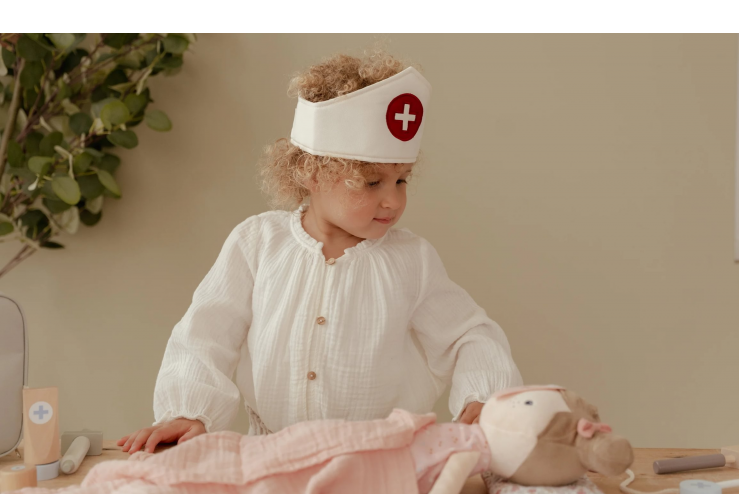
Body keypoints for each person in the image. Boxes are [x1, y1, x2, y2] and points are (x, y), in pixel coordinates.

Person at [118, 49, 523, 455]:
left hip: (380, 461)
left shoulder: (411, 260)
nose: (393, 201)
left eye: (401, 180)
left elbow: (469, 334)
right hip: (271, 457)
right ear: (311, 173)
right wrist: (189, 410)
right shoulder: (257, 243)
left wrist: (484, 395)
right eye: (372, 182)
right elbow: (206, 334)